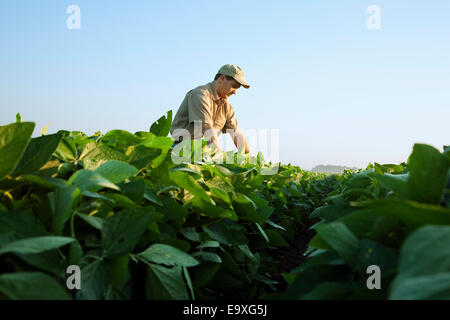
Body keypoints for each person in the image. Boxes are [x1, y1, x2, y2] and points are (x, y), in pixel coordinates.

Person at [170, 64, 250, 153]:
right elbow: (207, 130)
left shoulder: (226, 106)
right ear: (222, 78)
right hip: (181, 149)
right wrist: (220, 156)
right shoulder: (200, 95)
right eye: (234, 86)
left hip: (204, 151)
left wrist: (249, 157)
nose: (235, 92)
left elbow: (236, 133)